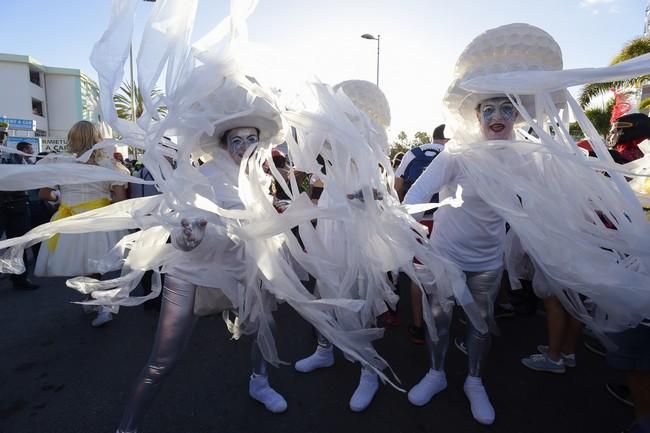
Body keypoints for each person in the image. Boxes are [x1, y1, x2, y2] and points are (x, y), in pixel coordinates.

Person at [36, 121, 129, 327]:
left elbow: (43, 193)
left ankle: (98, 302)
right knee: (97, 264)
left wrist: (60, 196)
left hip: (69, 220)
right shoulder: (109, 165)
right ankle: (99, 302)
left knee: (81, 262)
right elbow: (121, 200)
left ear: (72, 138)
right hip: (100, 220)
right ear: (97, 139)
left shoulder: (58, 163)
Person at [394, 124, 448, 343]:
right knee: (444, 271)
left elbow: (397, 185)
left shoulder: (413, 153)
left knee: (419, 273)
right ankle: (441, 323)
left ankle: (418, 327)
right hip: (446, 221)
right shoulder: (452, 155)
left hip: (418, 220)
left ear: (432, 137)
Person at [0, 141, 40, 289]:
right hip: (5, 204)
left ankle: (20, 278)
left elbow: (27, 176)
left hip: (17, 203)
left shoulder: (13, 156)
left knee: (18, 244)